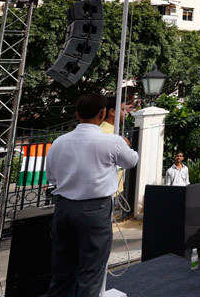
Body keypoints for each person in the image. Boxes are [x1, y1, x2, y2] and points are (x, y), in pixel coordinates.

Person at [45, 93, 139, 297]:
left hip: (64, 208)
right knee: (91, 271)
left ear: (77, 114)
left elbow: (51, 177)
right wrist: (127, 145)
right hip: (94, 211)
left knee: (62, 270)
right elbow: (131, 161)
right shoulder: (112, 141)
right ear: (102, 113)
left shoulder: (59, 142)